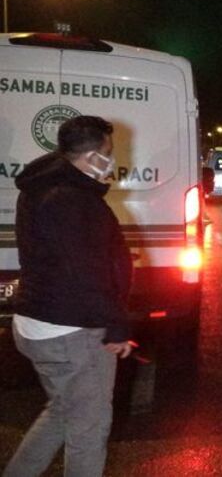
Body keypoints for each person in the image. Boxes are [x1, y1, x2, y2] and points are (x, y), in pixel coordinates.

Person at [6, 115, 134, 477]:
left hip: (40, 322)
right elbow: (86, 272)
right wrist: (117, 325)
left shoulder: (42, 187)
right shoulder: (72, 200)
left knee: (63, 411)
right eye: (107, 153)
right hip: (72, 332)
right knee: (88, 432)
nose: (111, 161)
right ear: (91, 157)